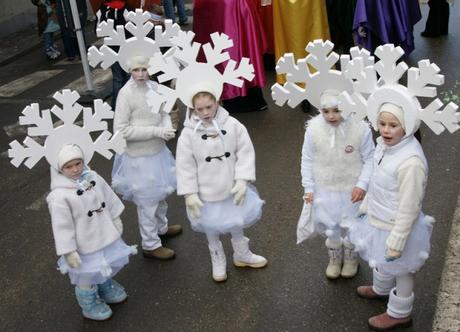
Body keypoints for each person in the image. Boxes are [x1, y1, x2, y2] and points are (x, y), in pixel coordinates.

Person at [348, 102, 433, 330]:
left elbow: (410, 206)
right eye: (382, 124)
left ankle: (399, 313)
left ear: (407, 127)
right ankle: (382, 289)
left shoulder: (411, 162)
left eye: (393, 125)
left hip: (398, 226)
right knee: (381, 256)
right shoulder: (385, 147)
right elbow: (377, 180)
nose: (385, 130)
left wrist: (398, 238)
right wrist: (367, 203)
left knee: (402, 269)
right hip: (380, 217)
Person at [176, 84, 267, 282]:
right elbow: (184, 165)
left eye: (209, 107)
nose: (205, 113)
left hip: (230, 187)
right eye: (199, 109)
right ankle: (217, 259)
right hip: (205, 192)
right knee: (211, 227)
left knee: (236, 220)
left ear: (217, 101)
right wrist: (189, 193)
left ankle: (242, 254)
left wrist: (242, 179)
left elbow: (245, 151)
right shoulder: (188, 134)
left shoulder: (232, 124)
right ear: (192, 108)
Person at [47, 144, 137, 321]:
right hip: (83, 244)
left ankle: (105, 286)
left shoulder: (92, 177)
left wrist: (115, 217)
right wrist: (68, 250)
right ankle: (88, 303)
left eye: (78, 163)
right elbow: (61, 226)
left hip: (103, 234)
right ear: (59, 169)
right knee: (86, 273)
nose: (75, 169)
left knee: (105, 262)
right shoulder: (59, 197)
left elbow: (108, 197)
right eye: (69, 166)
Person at [112, 55, 182, 260]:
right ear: (129, 70)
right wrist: (156, 132)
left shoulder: (154, 87)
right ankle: (150, 244)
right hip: (139, 158)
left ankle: (161, 227)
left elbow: (164, 112)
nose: (141, 74)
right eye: (136, 70)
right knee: (148, 201)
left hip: (158, 152)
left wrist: (167, 127)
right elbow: (121, 130)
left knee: (161, 194)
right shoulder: (125, 94)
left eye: (144, 69)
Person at [301, 90, 374, 279]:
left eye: (337, 110)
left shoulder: (360, 128)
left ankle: (351, 257)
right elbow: (307, 158)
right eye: (326, 111)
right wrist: (308, 187)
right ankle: (334, 257)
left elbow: (370, 158)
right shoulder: (313, 129)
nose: (331, 116)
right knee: (330, 223)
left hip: (353, 188)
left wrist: (363, 184)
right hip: (325, 186)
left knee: (352, 224)